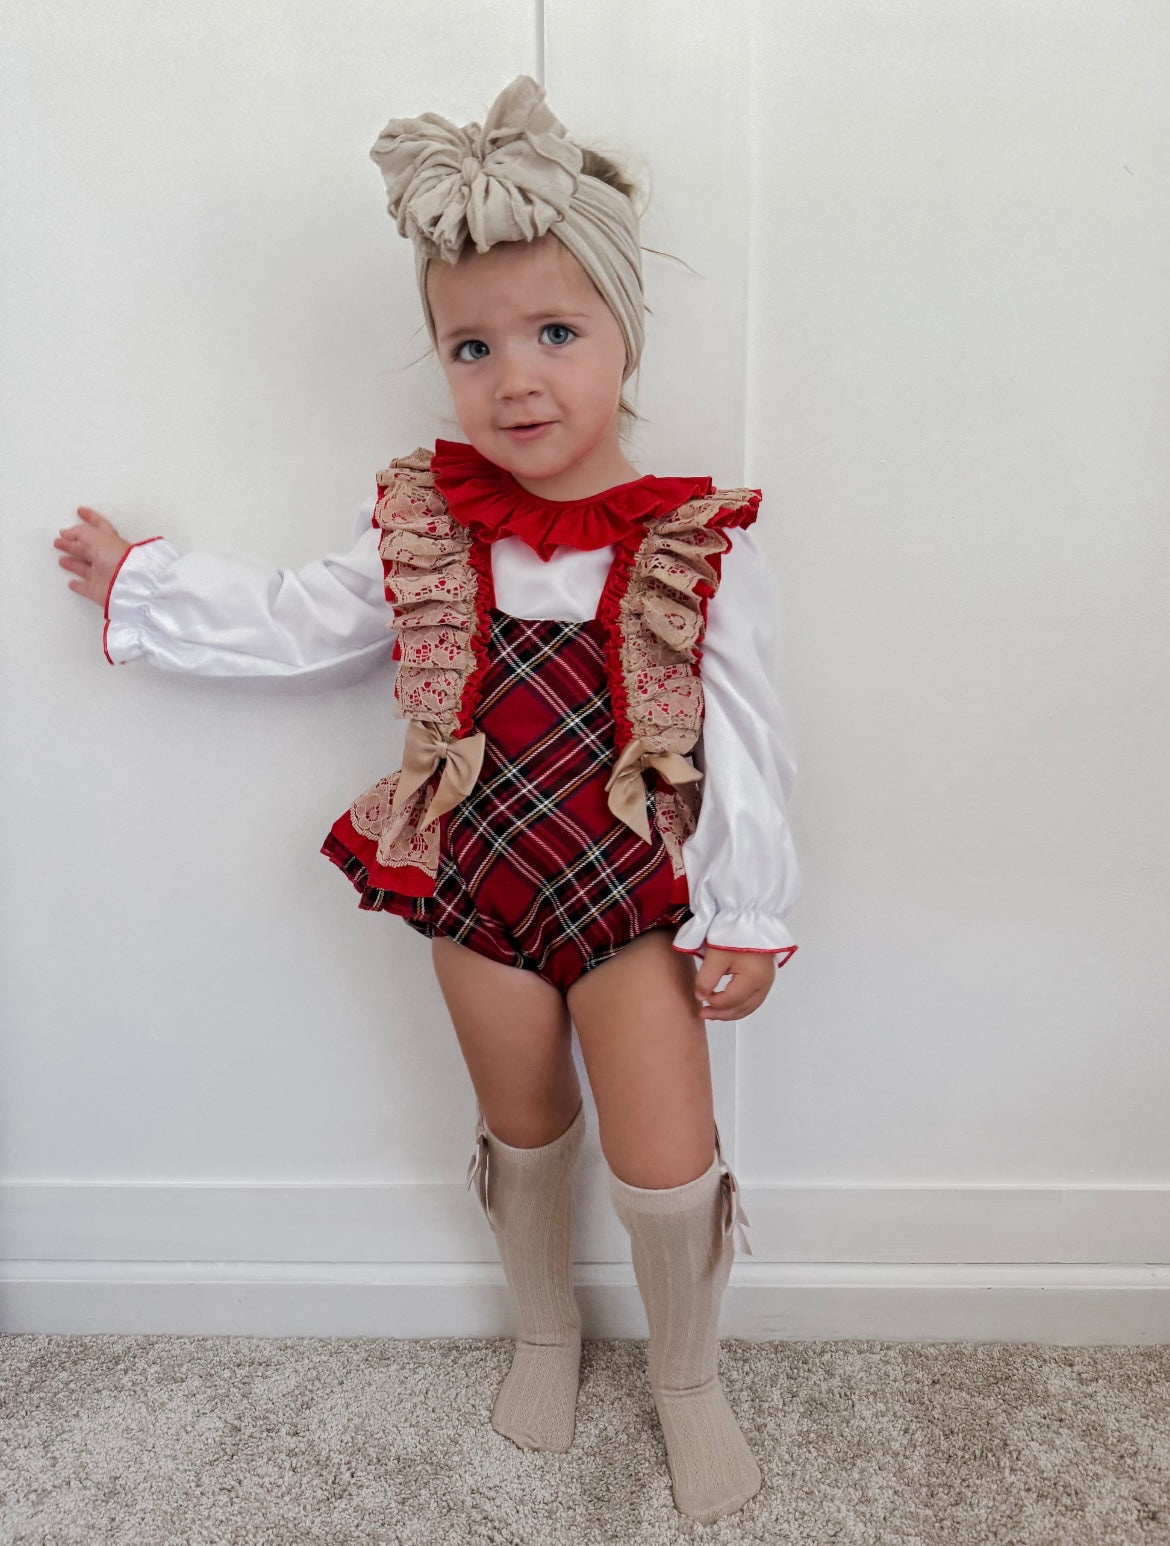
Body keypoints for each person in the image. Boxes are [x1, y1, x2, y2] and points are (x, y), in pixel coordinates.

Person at [52, 74, 801, 1526]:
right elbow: (300, 622)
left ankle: (688, 1374)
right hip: (478, 878)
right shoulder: (421, 520)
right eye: (472, 345)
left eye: (555, 334)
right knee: (520, 1121)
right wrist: (148, 583)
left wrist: (755, 905)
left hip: (630, 887)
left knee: (665, 1151)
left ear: (624, 335)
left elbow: (753, 735)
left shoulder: (694, 544)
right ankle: (540, 1326)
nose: (514, 377)